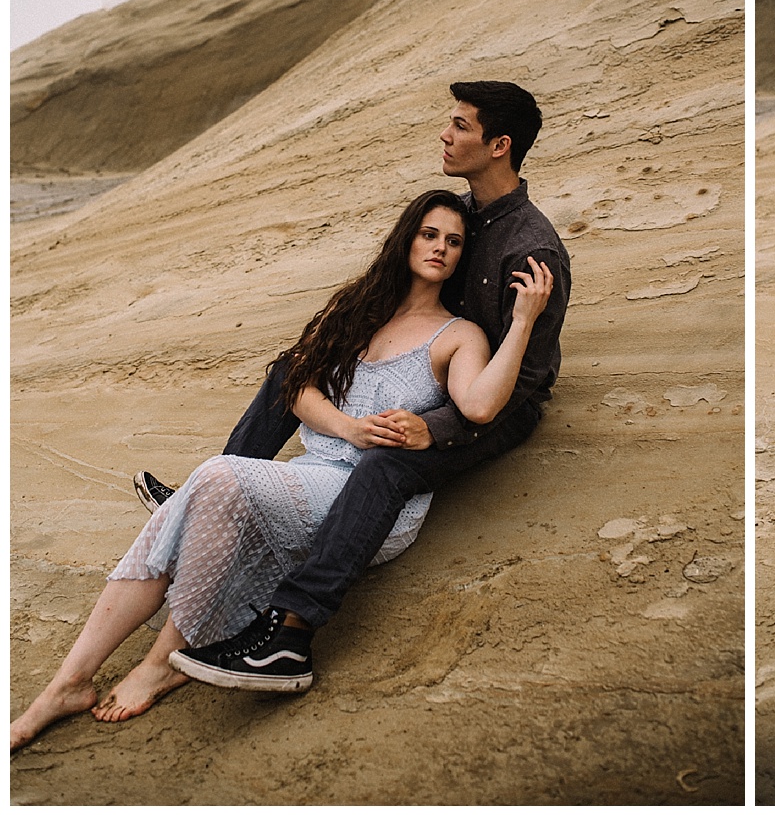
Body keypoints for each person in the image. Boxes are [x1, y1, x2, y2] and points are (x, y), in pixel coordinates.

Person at [11, 188, 555, 750]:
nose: (440, 248)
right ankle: (67, 683)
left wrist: (521, 322)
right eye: (429, 234)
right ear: (407, 237)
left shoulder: (458, 334)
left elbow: (481, 406)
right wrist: (349, 426)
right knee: (206, 499)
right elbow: (293, 383)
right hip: (313, 469)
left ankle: (160, 661)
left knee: (219, 478)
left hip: (367, 501)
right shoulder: (359, 308)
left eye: (455, 242)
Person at [136, 80, 570, 691]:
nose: (446, 135)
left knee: (387, 462)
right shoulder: (466, 213)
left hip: (495, 407)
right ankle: (219, 489)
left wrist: (436, 426)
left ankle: (290, 633)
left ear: (498, 146)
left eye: (460, 127)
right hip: (443, 368)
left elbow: (524, 380)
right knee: (294, 369)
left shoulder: (530, 248)